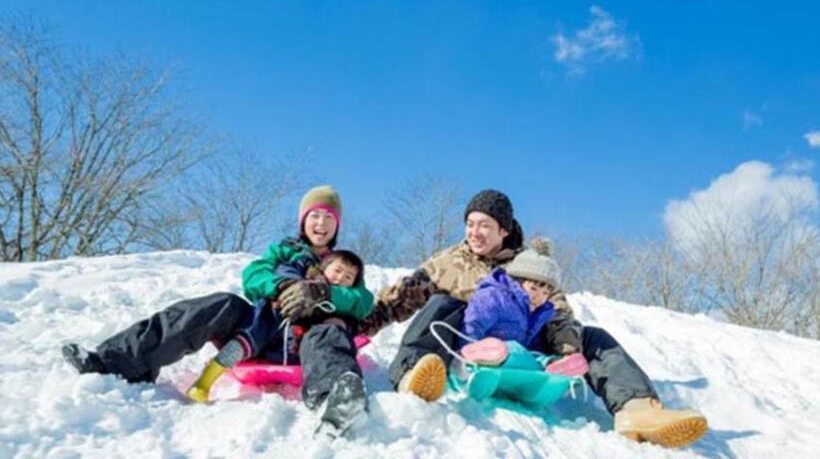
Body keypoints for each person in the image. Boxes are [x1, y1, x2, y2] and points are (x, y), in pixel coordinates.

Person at [360, 189, 708, 448]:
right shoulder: (451, 260)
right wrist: (359, 324)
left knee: (595, 336)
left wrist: (569, 349)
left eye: (484, 225)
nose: (474, 233)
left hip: (525, 345)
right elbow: (402, 296)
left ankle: (637, 409)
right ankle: (413, 375)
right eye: (470, 224)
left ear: (505, 230)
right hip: (470, 344)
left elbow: (557, 313)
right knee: (443, 305)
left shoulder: (530, 266)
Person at [62, 185, 374, 431]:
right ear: (303, 220)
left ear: (337, 226)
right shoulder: (283, 251)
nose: (321, 224)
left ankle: (334, 397)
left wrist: (324, 292)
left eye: (329, 219)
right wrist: (279, 286)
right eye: (315, 216)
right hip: (261, 329)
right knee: (219, 304)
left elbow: (362, 301)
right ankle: (116, 362)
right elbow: (253, 276)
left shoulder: (343, 263)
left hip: (304, 341)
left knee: (331, 329)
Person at [187, 249, 369, 404]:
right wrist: (291, 286)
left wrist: (343, 323)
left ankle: (335, 393)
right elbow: (285, 271)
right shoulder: (305, 270)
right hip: (267, 335)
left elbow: (354, 320)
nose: (340, 278)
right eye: (337, 270)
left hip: (299, 349)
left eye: (348, 277)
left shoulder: (341, 303)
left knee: (329, 332)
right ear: (323, 267)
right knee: (266, 312)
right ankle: (206, 379)